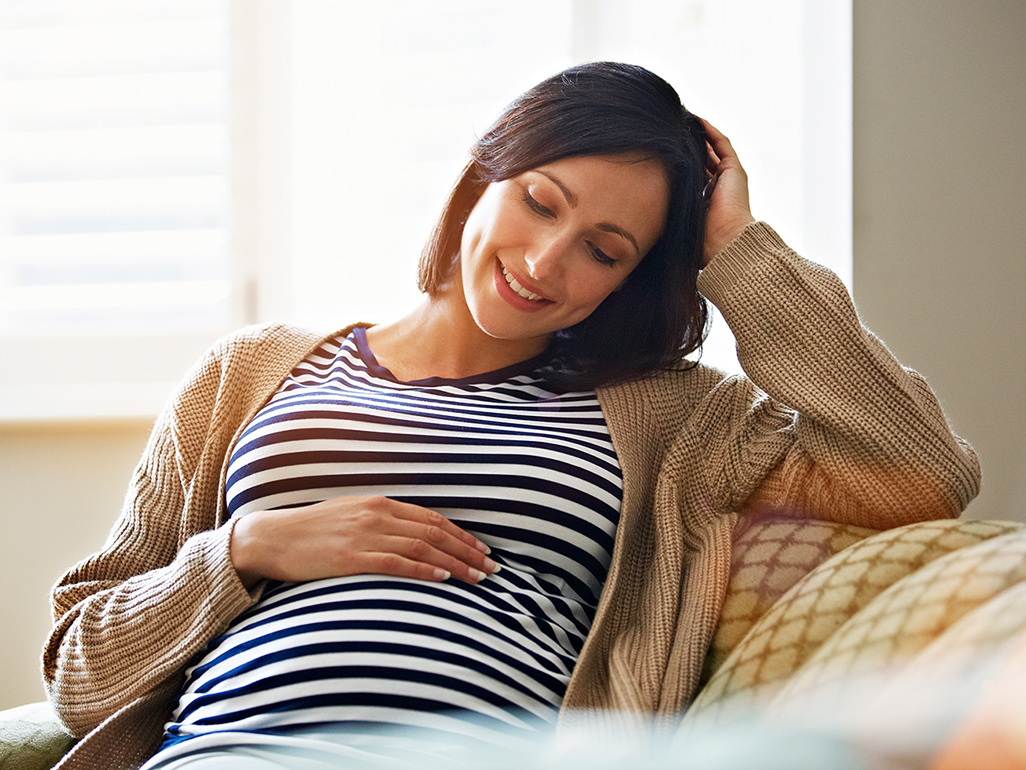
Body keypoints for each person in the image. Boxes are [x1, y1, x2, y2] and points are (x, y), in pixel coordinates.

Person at [42, 62, 980, 769]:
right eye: (539, 203)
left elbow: (919, 471)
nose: (544, 261)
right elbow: (80, 673)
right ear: (481, 177)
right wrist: (246, 547)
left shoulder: (675, 419)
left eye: (603, 251)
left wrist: (738, 251)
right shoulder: (249, 373)